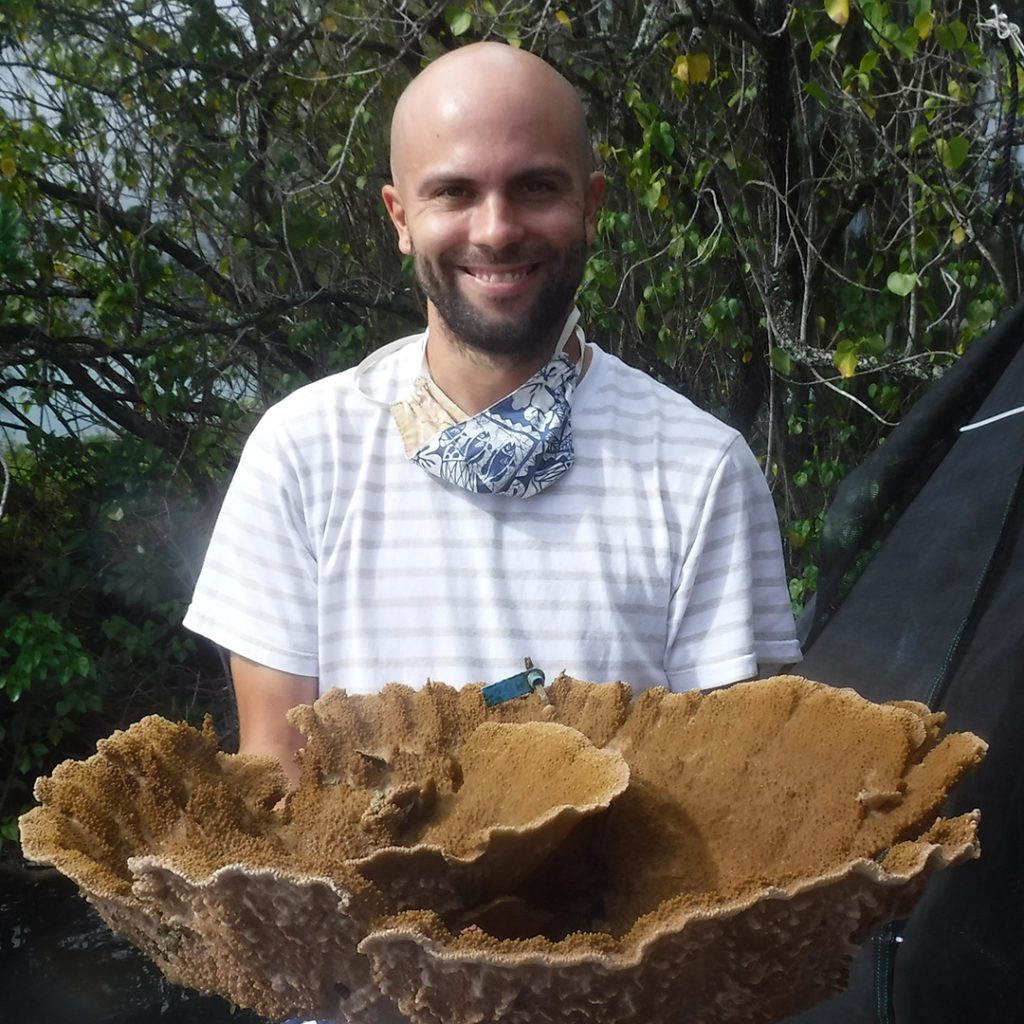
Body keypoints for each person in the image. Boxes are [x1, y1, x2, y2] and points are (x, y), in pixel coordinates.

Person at [183, 42, 802, 789]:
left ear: (591, 205)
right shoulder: (302, 453)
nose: (497, 228)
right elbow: (276, 773)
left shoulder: (702, 472)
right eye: (454, 192)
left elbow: (723, 794)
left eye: (536, 187)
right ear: (400, 216)